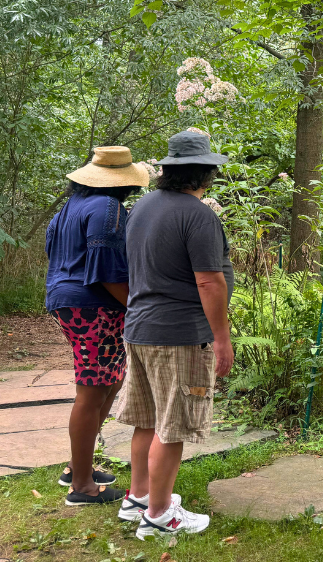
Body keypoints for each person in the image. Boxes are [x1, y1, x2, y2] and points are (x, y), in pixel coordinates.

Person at [114, 131, 234, 539]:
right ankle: (161, 515)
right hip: (180, 334)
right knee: (174, 425)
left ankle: (138, 498)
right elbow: (209, 282)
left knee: (147, 420)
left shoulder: (143, 207)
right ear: (206, 173)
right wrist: (222, 338)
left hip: (140, 328)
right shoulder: (198, 215)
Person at [44, 146, 149, 505]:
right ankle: (82, 487)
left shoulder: (71, 206)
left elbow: (53, 249)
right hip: (93, 305)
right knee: (92, 389)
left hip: (66, 298)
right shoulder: (108, 208)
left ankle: (78, 466)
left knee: (111, 379)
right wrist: (137, 305)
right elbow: (105, 268)